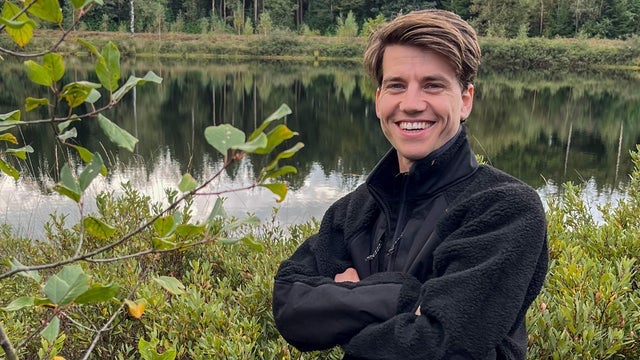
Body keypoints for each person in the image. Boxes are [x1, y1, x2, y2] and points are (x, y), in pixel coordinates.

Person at [272, 9, 548, 360]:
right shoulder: (355, 211)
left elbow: (443, 347)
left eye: (433, 85)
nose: (412, 104)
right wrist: (404, 297)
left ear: (465, 100)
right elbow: (291, 304)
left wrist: (347, 304)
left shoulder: (503, 208)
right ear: (378, 100)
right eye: (396, 86)